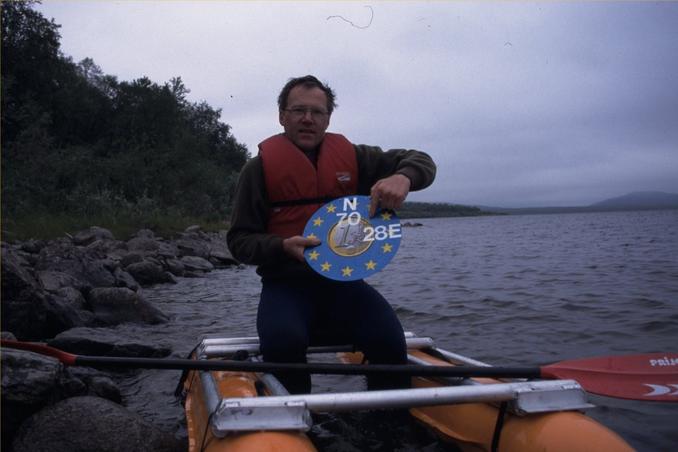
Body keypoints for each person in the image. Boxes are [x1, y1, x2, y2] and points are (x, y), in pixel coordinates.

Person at [227, 75, 436, 394]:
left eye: (317, 112)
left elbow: (421, 160)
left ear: (328, 118)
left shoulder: (355, 157)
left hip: (346, 285)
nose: (308, 119)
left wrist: (404, 177)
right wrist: (281, 246)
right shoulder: (257, 170)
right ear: (282, 116)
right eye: (298, 110)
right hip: (285, 286)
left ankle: (391, 423)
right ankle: (294, 427)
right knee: (284, 343)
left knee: (389, 339)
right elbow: (239, 241)